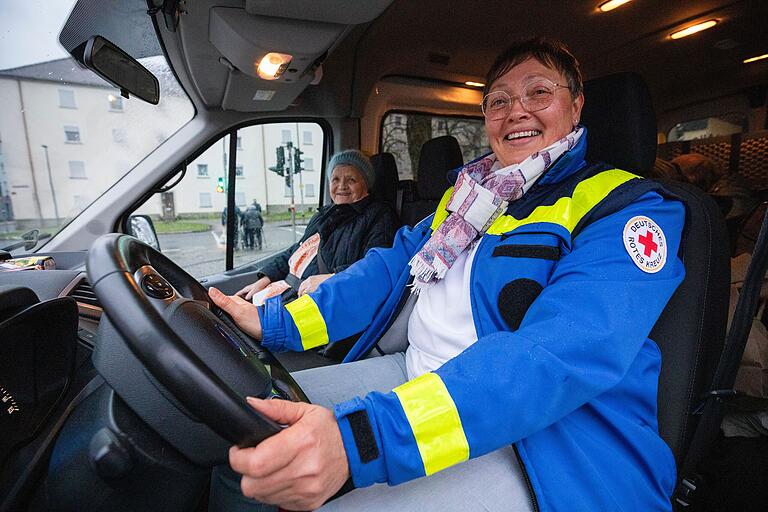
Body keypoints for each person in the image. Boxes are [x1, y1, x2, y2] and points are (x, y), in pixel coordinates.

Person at [208, 38, 686, 511]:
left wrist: (365, 437)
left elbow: (556, 354)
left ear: (576, 106)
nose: (516, 110)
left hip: (542, 442)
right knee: (247, 443)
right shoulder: (468, 199)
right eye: (498, 100)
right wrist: (276, 323)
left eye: (539, 92)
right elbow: (386, 270)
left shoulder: (629, 209)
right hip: (414, 374)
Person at [236, 150, 399, 303]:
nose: (341, 186)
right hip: (288, 292)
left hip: (326, 300)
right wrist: (265, 280)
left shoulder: (379, 216)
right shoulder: (324, 214)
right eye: (335, 179)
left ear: (366, 184)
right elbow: (298, 250)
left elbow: (376, 266)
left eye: (351, 180)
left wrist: (332, 278)